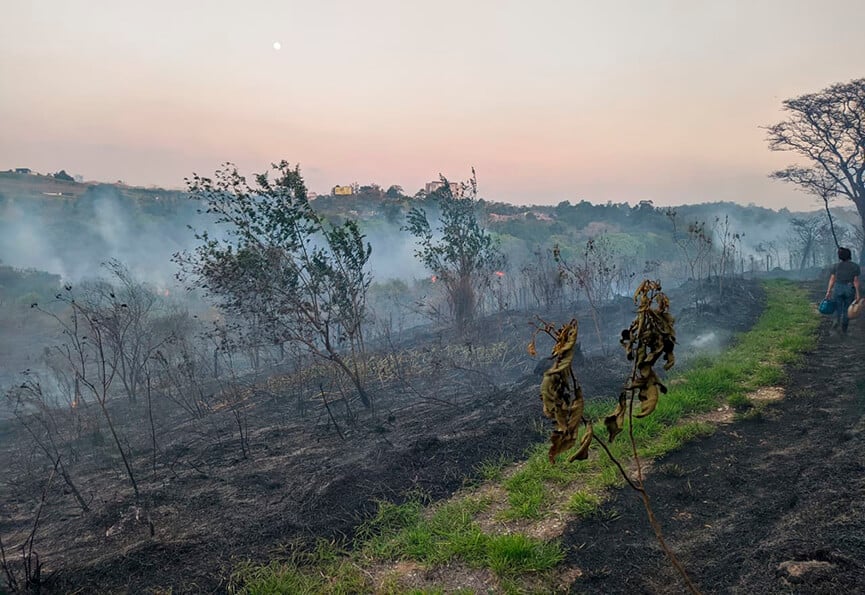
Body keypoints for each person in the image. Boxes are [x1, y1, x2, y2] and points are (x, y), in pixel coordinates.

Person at [825, 246, 861, 334]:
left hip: (838, 288)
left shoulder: (835, 266)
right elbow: (856, 281)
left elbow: (832, 279)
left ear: (840, 256)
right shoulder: (855, 266)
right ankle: (844, 329)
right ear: (849, 256)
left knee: (837, 308)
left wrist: (828, 291)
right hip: (849, 288)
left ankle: (836, 323)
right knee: (847, 310)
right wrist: (857, 293)